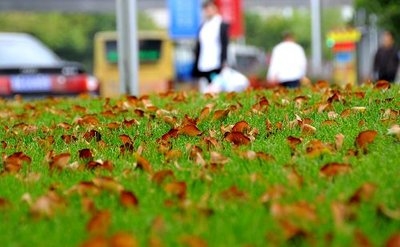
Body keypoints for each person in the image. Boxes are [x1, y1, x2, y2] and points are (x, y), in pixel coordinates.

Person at [192, 0, 229, 90]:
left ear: (215, 9)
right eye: (205, 9)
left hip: (216, 65)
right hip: (203, 64)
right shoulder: (203, 26)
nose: (208, 11)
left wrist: (224, 61)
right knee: (204, 91)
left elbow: (225, 44)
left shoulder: (221, 25)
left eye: (210, 8)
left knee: (215, 90)